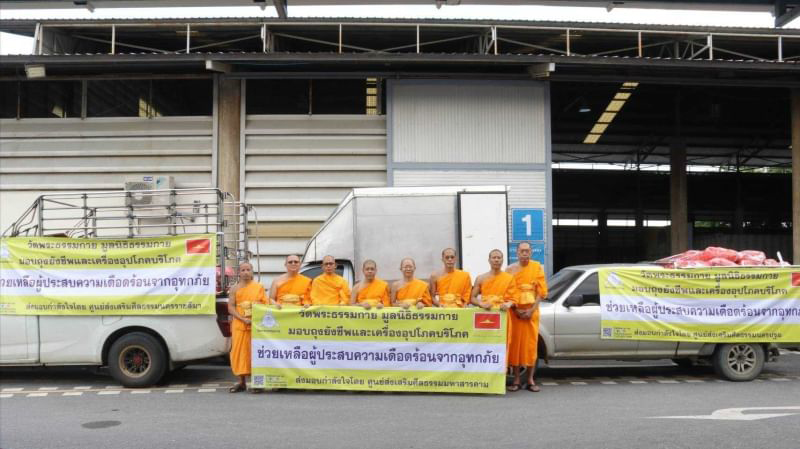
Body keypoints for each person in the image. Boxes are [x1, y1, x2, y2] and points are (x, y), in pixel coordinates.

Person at [506, 242, 548, 393]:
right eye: (522, 251)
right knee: (516, 345)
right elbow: (509, 292)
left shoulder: (537, 267)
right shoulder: (510, 269)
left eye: (527, 251)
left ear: (531, 252)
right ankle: (517, 379)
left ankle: (530, 379)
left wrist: (531, 310)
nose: (525, 253)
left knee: (531, 345)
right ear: (517, 252)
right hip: (515, 312)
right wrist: (516, 309)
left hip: (532, 312)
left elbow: (541, 292)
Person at [227, 261, 267, 393]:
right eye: (243, 270)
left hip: (255, 324)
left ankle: (257, 382)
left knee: (255, 353)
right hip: (240, 324)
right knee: (239, 353)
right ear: (239, 273)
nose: (245, 273)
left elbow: (265, 304)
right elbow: (231, 307)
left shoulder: (258, 287)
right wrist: (243, 319)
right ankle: (241, 382)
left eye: (248, 270)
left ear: (252, 272)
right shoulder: (235, 288)